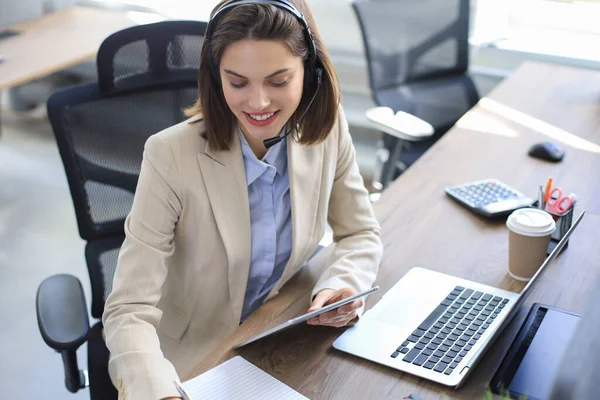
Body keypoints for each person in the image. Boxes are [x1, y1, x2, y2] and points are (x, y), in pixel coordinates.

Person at [102, 1, 383, 399]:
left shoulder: (327, 128)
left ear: (311, 72)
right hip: (191, 363)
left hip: (278, 335)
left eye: (278, 81)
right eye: (238, 83)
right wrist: (158, 391)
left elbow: (360, 231)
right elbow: (126, 309)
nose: (259, 103)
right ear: (216, 80)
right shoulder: (170, 155)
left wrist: (342, 285)